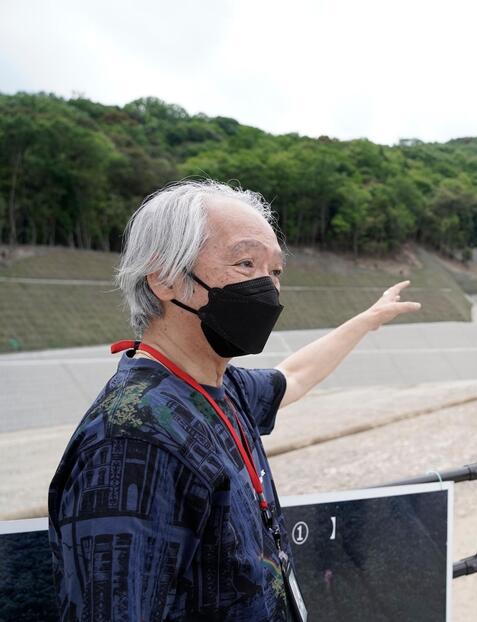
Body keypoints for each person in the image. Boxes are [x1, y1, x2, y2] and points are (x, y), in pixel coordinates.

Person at [47, 180, 420, 621]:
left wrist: (367, 321)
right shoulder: (134, 438)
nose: (268, 288)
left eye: (275, 271)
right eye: (245, 263)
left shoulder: (219, 388)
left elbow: (293, 377)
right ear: (165, 277)